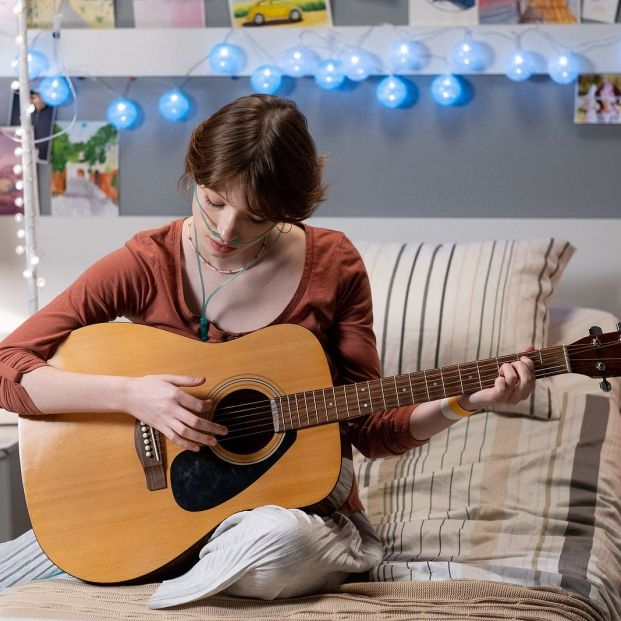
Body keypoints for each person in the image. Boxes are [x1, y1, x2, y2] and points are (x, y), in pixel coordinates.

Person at [0, 94, 536, 608]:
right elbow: (9, 366)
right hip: (159, 508)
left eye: (256, 217)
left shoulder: (334, 266)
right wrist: (132, 395)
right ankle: (174, 556)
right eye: (213, 200)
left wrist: (466, 402)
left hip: (301, 518)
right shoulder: (148, 262)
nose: (226, 230)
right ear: (195, 176)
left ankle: (172, 572)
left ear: (288, 209)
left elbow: (370, 428)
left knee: (276, 543)